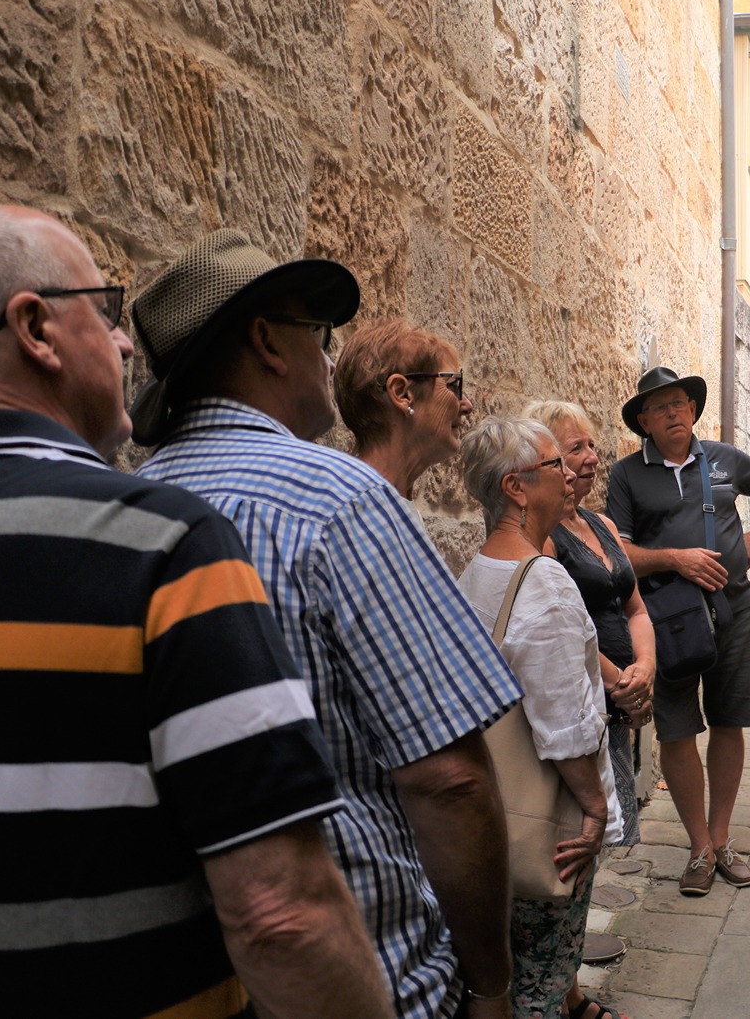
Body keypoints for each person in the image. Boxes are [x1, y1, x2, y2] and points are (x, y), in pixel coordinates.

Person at [0, 202, 391, 1018]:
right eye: (102, 311)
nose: (126, 340)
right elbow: (281, 914)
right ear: (35, 328)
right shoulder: (165, 547)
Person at [130, 231, 522, 1019]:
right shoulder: (338, 499)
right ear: (267, 341)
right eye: (320, 335)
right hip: (368, 981)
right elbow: (448, 778)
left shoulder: (126, 505)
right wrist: (491, 985)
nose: (328, 358)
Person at [455, 417, 625, 1019]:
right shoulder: (544, 583)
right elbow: (564, 722)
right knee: (542, 983)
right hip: (545, 828)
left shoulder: (475, 574)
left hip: (486, 815)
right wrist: (597, 807)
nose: (569, 476)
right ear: (516, 488)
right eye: (554, 464)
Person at [605, 366, 750, 896]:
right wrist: (676, 558)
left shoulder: (725, 459)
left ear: (693, 409)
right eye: (660, 407)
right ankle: (697, 848)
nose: (673, 413)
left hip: (732, 611)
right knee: (677, 730)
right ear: (644, 421)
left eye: (681, 403)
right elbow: (616, 552)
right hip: (667, 618)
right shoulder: (625, 475)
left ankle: (721, 839)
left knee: (729, 720)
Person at [526, 399, 656, 845]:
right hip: (589, 703)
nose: (592, 458)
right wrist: (622, 681)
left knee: (613, 829)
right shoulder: (542, 539)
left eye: (592, 446)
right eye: (575, 448)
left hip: (621, 698)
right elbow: (561, 633)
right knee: (585, 827)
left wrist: (646, 666)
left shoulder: (600, 523)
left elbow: (634, 607)